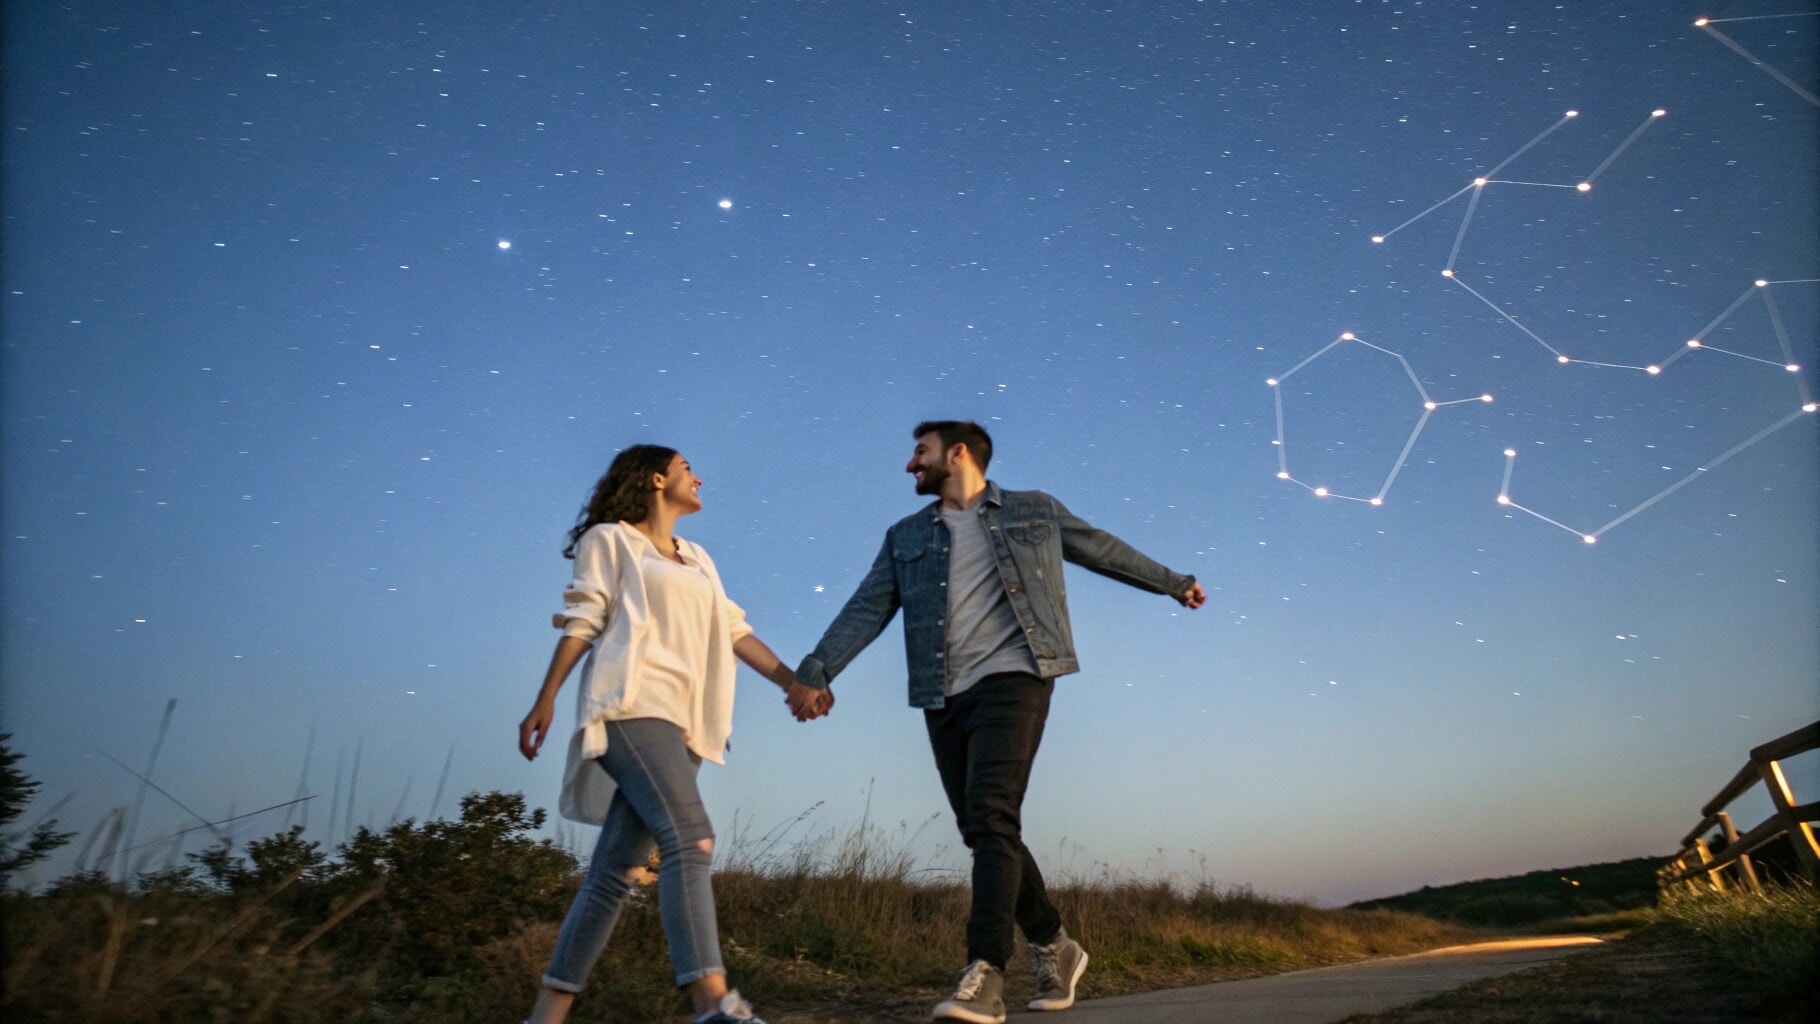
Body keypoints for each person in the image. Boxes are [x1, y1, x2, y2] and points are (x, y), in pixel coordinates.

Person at [795, 421, 1204, 1024]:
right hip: (942, 691)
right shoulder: (906, 535)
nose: (912, 465)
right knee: (983, 829)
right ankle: (1056, 946)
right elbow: (867, 606)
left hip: (1017, 676)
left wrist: (1173, 583)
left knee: (990, 815)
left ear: (957, 452)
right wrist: (818, 669)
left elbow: (1100, 547)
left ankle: (985, 971)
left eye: (921, 452)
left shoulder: (1033, 510)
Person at [517, 444, 831, 1024]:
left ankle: (546, 1013)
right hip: (632, 707)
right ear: (658, 478)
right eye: (689, 469)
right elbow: (585, 619)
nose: (700, 477)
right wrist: (547, 697)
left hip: (689, 726)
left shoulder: (699, 558)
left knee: (613, 873)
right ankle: (712, 1004)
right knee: (693, 838)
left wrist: (794, 683)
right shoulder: (610, 540)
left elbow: (733, 630)